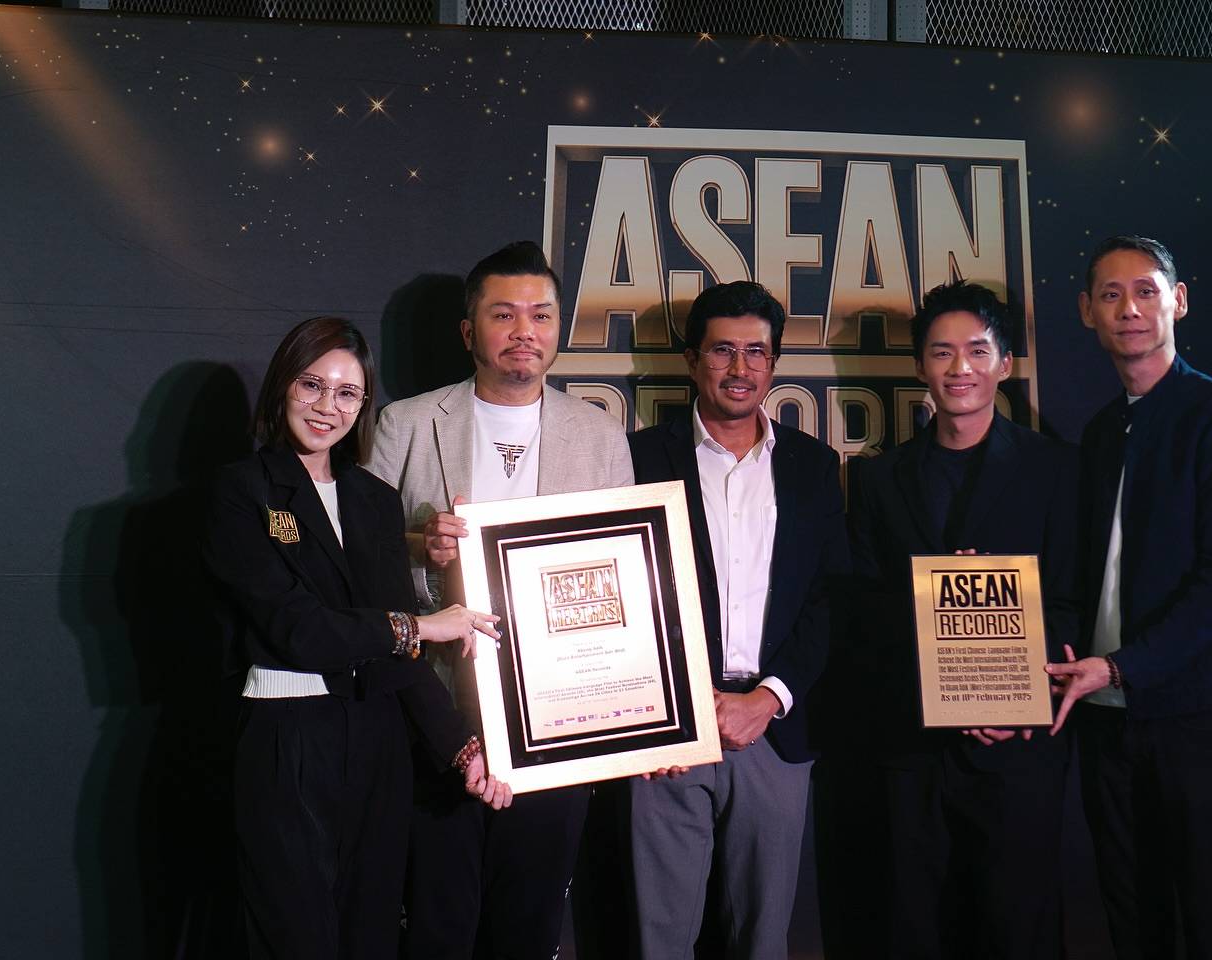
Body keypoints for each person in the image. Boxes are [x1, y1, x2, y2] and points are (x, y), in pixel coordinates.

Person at [203, 316, 509, 959]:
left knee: (370, 933)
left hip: (378, 742)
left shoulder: (372, 499)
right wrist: (422, 626)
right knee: (294, 937)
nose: (326, 407)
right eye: (311, 385)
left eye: (347, 393)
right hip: (288, 736)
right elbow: (298, 630)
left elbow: (400, 663)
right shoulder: (241, 492)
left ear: (364, 404)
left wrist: (463, 750)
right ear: (283, 385)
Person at [365, 241, 634, 959]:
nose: (524, 330)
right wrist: (423, 548)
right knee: (437, 924)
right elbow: (357, 564)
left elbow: (624, 584)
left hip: (560, 717)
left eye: (541, 315)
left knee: (531, 923)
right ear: (468, 331)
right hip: (437, 711)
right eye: (504, 314)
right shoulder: (406, 423)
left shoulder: (602, 436)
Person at [1047, 236, 1212, 960]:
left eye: (1146, 291)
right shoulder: (1103, 431)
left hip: (1198, 711)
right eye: (1110, 295)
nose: (1129, 309)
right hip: (1108, 714)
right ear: (1087, 312)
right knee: (1131, 910)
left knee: (1211, 913)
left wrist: (1121, 667)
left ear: (1178, 300)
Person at [849, 281, 1078, 958]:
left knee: (1017, 926)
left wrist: (1011, 690)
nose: (960, 369)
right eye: (942, 353)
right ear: (920, 366)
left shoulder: (1055, 468)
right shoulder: (877, 480)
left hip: (1017, 745)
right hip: (913, 748)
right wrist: (936, 608)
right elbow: (861, 604)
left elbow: (1073, 596)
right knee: (915, 924)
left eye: (977, 351)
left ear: (1005, 364)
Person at [626, 280, 847, 959]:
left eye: (757, 352)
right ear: (693, 361)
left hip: (773, 731)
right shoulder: (637, 458)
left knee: (762, 939)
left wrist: (768, 698)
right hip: (667, 732)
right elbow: (622, 597)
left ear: (774, 364)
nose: (740, 368)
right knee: (660, 937)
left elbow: (830, 599)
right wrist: (666, 711)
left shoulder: (814, 466)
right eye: (723, 350)